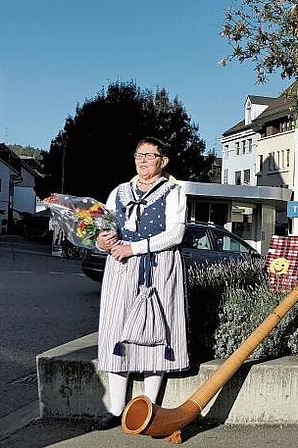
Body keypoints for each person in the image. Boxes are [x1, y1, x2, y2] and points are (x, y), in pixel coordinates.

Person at [91, 137, 188, 431]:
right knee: (118, 332)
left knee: (156, 332)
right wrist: (101, 242)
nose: (143, 160)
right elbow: (103, 231)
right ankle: (116, 409)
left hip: (157, 269)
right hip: (120, 269)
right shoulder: (119, 191)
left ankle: (148, 408)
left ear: (163, 161)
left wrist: (134, 248)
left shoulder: (174, 192)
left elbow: (175, 235)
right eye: (138, 155)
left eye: (150, 155)